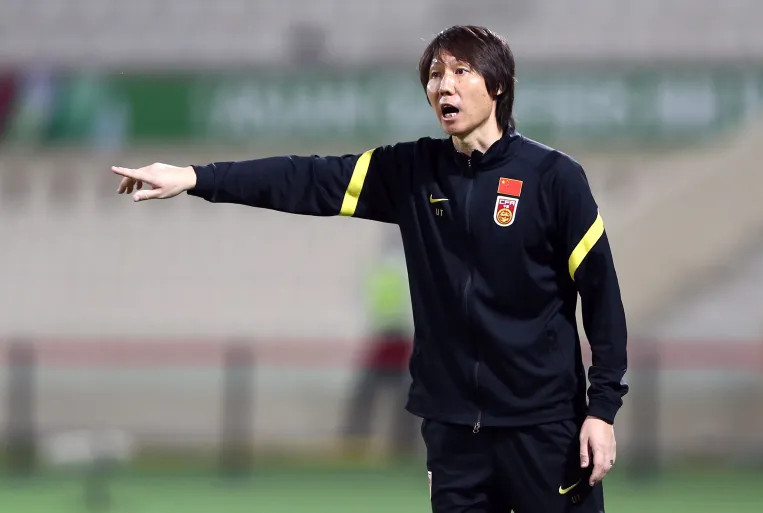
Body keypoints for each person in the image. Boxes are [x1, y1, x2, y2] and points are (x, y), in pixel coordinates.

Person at [113, 25, 628, 513]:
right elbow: (304, 179)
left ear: (497, 85)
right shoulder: (408, 171)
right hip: (453, 432)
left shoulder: (554, 178)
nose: (442, 85)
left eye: (459, 71)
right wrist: (195, 176)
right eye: (433, 74)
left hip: (544, 427)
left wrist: (601, 411)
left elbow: (603, 300)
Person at [343, 229, 417, 459]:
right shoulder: (406, 269)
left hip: (390, 338)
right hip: (397, 338)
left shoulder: (380, 271)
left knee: (368, 394)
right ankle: (400, 445)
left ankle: (356, 442)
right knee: (404, 397)